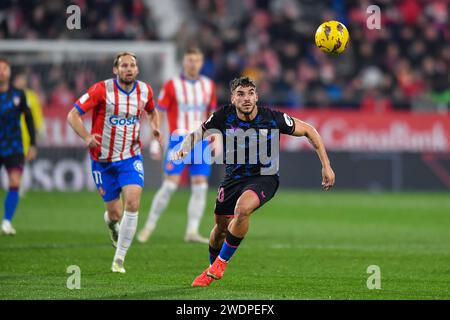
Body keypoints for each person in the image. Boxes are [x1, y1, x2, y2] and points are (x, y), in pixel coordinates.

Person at [171, 77, 335, 286]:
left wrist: (326, 165)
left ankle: (221, 263)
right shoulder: (223, 116)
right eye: (241, 94)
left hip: (264, 178)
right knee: (220, 229)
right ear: (233, 98)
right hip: (233, 179)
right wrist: (184, 148)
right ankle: (212, 268)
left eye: (250, 93)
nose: (246, 98)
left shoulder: (272, 118)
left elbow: (309, 130)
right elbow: (198, 133)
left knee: (242, 209)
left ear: (257, 96)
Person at [67, 52, 161, 273]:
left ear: (137, 70)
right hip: (102, 161)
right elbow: (73, 115)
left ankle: (119, 259)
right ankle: (111, 224)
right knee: (115, 213)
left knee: (133, 203)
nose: (128, 69)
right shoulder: (101, 90)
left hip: (130, 156)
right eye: (124, 65)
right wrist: (87, 137)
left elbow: (152, 111)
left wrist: (155, 126)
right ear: (115, 70)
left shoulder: (145, 90)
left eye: (132, 66)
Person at [137, 47, 217, 244]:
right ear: (184, 61)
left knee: (200, 188)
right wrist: (157, 142)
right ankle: (149, 226)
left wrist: (214, 138)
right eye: (190, 60)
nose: (193, 64)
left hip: (201, 142)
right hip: (178, 140)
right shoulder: (172, 85)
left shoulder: (208, 85)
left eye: (197, 61)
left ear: (201, 62)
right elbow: (160, 112)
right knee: (169, 185)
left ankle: (192, 231)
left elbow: (212, 114)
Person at [0, 58, 37, 235]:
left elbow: (28, 119)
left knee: (14, 182)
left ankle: (6, 222)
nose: (1, 71)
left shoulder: (18, 94)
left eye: (4, 68)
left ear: (9, 72)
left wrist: (33, 143)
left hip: (14, 146)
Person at [13, 73, 46, 197]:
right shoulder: (9, 94)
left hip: (26, 134)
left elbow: (36, 113)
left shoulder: (31, 96)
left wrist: (41, 128)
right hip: (11, 133)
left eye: (22, 79)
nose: (21, 81)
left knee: (22, 161)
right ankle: (16, 185)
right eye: (19, 79)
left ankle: (19, 186)